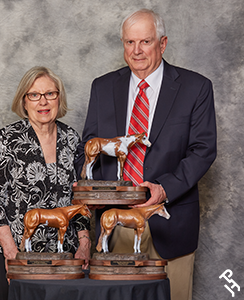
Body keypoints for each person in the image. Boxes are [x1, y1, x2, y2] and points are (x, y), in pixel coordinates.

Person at [74, 8, 216, 300]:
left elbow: (203, 149)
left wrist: (165, 189)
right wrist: (91, 189)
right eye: (129, 42)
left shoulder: (196, 87)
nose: (137, 51)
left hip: (170, 221)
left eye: (146, 42)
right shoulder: (102, 87)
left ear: (162, 44)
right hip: (115, 223)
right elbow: (90, 145)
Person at [0, 66, 91, 300]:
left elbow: (80, 196)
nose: (43, 102)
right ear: (24, 101)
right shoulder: (7, 139)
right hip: (17, 252)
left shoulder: (72, 139)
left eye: (50, 94)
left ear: (59, 98)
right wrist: (10, 251)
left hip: (65, 254)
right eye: (34, 95)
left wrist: (84, 241)